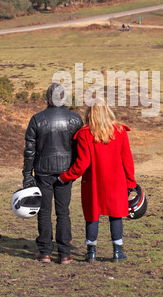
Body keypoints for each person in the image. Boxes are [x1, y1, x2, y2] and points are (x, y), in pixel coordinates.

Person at [59, 99, 137, 263]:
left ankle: (91, 252)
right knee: (116, 215)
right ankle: (117, 251)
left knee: (92, 215)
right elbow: (127, 160)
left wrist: (65, 176)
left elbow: (82, 164)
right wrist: (130, 183)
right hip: (117, 182)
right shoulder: (120, 131)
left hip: (93, 182)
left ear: (90, 114)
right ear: (107, 112)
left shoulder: (84, 134)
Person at [22, 83, 83, 264]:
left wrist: (27, 173)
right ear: (64, 98)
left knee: (45, 211)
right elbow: (81, 148)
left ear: (47, 97)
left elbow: (29, 150)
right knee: (63, 212)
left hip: (43, 171)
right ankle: (64, 253)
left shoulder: (37, 119)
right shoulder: (75, 119)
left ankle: (45, 252)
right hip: (66, 172)